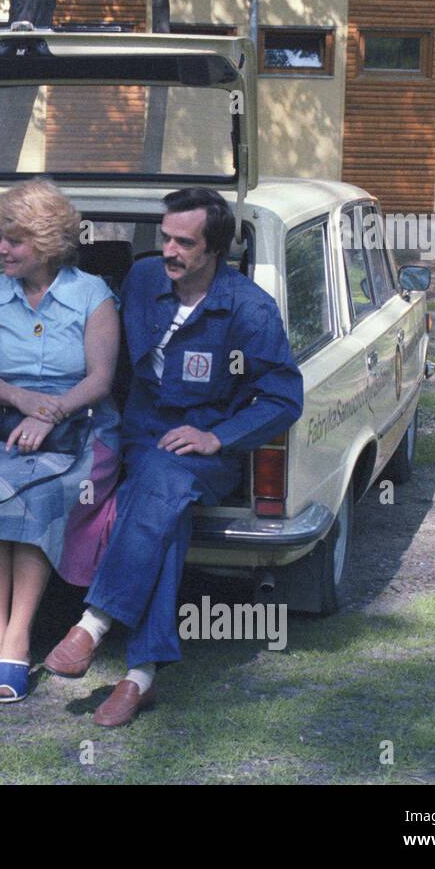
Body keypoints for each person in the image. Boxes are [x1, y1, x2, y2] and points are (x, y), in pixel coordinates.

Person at [43, 187, 303, 726]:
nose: (169, 251)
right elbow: (106, 353)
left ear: (216, 251)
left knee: (163, 481)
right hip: (141, 436)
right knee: (166, 516)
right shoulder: (142, 281)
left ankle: (94, 624)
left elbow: (284, 397)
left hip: (205, 448)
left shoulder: (249, 309)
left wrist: (220, 438)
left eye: (184, 243)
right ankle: (140, 676)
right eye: (165, 237)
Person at [0, 180, 121, 703]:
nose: (1, 248)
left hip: (83, 427)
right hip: (7, 423)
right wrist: (27, 403)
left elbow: (100, 379)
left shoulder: (93, 294)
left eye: (14, 241)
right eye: (0, 237)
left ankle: (18, 638)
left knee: (40, 497)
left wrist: (52, 412)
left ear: (46, 244)